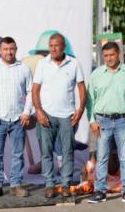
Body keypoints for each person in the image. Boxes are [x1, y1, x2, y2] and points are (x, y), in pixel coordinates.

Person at [87, 41, 125, 205]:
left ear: (118, 54)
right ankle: (100, 191)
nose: (109, 58)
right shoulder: (97, 74)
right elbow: (90, 101)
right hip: (102, 121)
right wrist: (92, 121)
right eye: (105, 56)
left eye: (112, 55)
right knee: (102, 157)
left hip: (124, 121)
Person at [32, 33, 86, 198]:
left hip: (67, 116)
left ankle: (65, 184)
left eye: (57, 45)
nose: (53, 49)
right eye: (51, 45)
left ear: (63, 47)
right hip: (46, 115)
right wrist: (39, 111)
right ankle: (49, 184)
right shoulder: (42, 64)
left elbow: (82, 89)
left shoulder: (74, 63)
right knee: (46, 151)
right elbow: (35, 90)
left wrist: (80, 110)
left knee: (68, 151)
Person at [0, 37, 32, 198]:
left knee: (18, 153)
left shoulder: (24, 68)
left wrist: (26, 112)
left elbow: (31, 92)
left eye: (11, 49)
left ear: (16, 49)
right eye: (5, 49)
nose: (9, 52)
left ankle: (16, 185)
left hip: (18, 119)